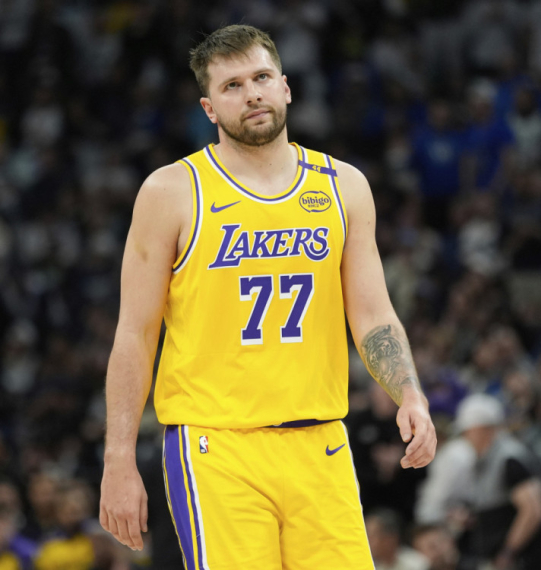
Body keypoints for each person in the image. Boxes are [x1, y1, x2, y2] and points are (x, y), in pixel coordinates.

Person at [99, 24, 437, 570]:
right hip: (216, 446)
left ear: (286, 86)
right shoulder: (171, 192)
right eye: (232, 86)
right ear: (210, 108)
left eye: (261, 78)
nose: (252, 93)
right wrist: (118, 458)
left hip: (321, 442)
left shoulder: (343, 186)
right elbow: (135, 334)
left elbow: (374, 315)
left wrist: (410, 394)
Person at [455, 394, 541, 570]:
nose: (466, 438)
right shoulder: (487, 458)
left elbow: (533, 509)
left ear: (484, 429)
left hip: (521, 560)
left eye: (467, 432)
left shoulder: (509, 458)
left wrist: (508, 552)